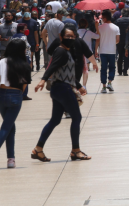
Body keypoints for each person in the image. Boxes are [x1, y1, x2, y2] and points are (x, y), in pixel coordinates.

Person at [32, 27, 90, 162]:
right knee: (77, 117)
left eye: (72, 36)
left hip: (58, 88)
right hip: (63, 89)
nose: (70, 39)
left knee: (55, 120)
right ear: (61, 36)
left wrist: (79, 86)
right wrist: (42, 80)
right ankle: (76, 150)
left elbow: (66, 74)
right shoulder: (61, 51)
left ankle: (38, 149)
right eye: (67, 36)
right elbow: (52, 67)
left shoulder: (66, 52)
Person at [0, 39, 31, 170]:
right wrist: (19, 94)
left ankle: (11, 159)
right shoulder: (24, 64)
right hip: (16, 95)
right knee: (6, 127)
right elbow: (25, 83)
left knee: (10, 127)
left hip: (2, 95)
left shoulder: (2, 61)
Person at [98, 10, 120, 93]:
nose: (102, 19)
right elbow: (117, 40)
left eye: (102, 17)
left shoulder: (100, 27)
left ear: (105, 17)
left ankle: (103, 87)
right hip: (112, 51)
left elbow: (97, 38)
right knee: (112, 68)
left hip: (103, 51)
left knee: (103, 68)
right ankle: (110, 82)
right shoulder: (116, 27)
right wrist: (111, 42)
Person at [115, 8, 129, 76]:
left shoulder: (118, 20)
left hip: (120, 39)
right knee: (127, 56)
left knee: (120, 55)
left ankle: (119, 71)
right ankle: (125, 70)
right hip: (128, 40)